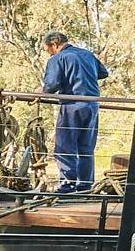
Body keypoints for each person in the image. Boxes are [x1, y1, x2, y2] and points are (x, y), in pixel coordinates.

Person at [40, 30, 107, 193]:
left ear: (54, 45)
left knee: (65, 144)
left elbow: (51, 85)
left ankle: (67, 184)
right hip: (91, 105)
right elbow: (103, 72)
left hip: (72, 104)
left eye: (47, 49)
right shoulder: (87, 55)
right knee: (86, 145)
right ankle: (85, 185)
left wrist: (40, 92)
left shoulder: (58, 58)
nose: (48, 53)